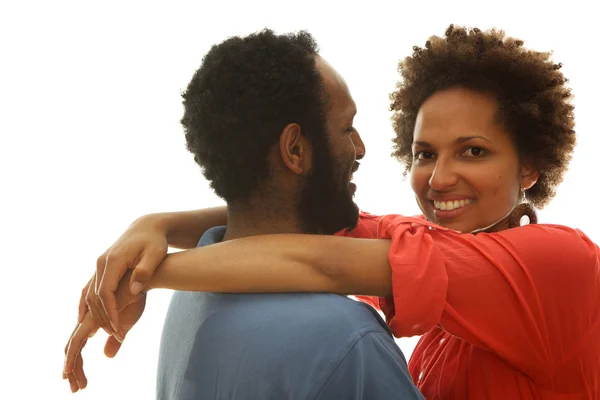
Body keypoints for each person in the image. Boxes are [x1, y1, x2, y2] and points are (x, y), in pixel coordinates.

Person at [66, 25, 600, 399]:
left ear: (529, 167)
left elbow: (323, 262)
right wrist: (152, 226)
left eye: (473, 151)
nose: (438, 179)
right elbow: (303, 224)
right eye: (424, 154)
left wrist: (142, 277)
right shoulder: (428, 245)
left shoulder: (560, 264)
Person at [63, 29, 425, 400]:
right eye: (347, 128)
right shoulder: (348, 343)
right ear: (295, 149)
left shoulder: (192, 300)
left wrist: (155, 229)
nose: (360, 148)